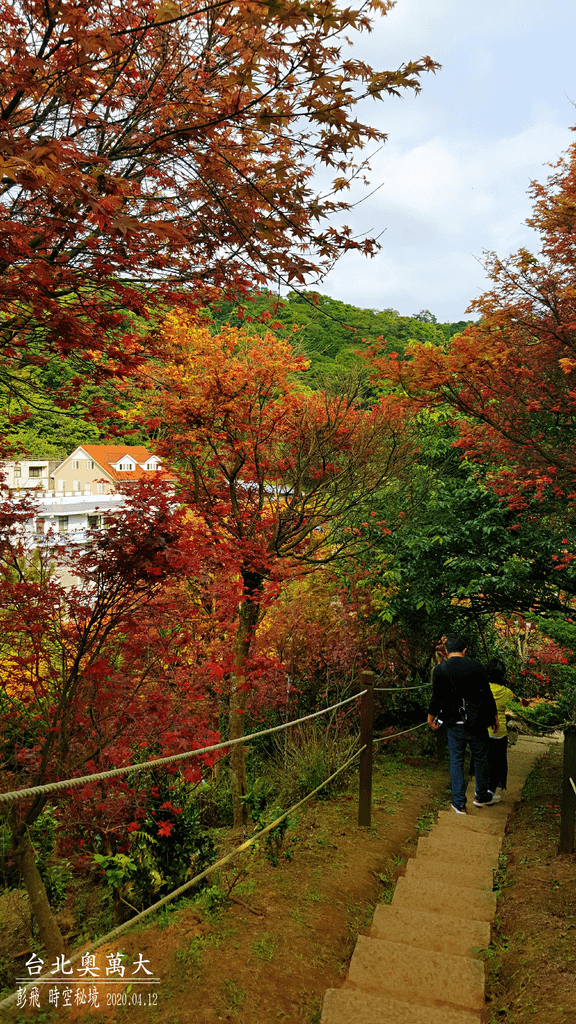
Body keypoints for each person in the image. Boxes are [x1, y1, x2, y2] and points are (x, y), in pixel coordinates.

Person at [428, 636, 499, 814]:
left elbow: (436, 697)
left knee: (456, 760)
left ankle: (459, 803)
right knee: (481, 758)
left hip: (453, 722)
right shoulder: (476, 667)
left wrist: (431, 717)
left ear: (446, 651)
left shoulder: (440, 669)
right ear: (465, 650)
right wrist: (494, 717)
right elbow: (487, 694)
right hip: (477, 722)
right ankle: (481, 795)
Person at [486, 658, 516, 796]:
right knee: (497, 762)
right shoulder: (507, 692)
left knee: (485, 759)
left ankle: (483, 788)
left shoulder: (484, 689)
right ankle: (492, 790)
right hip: (500, 732)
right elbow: (515, 709)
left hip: (484, 730)